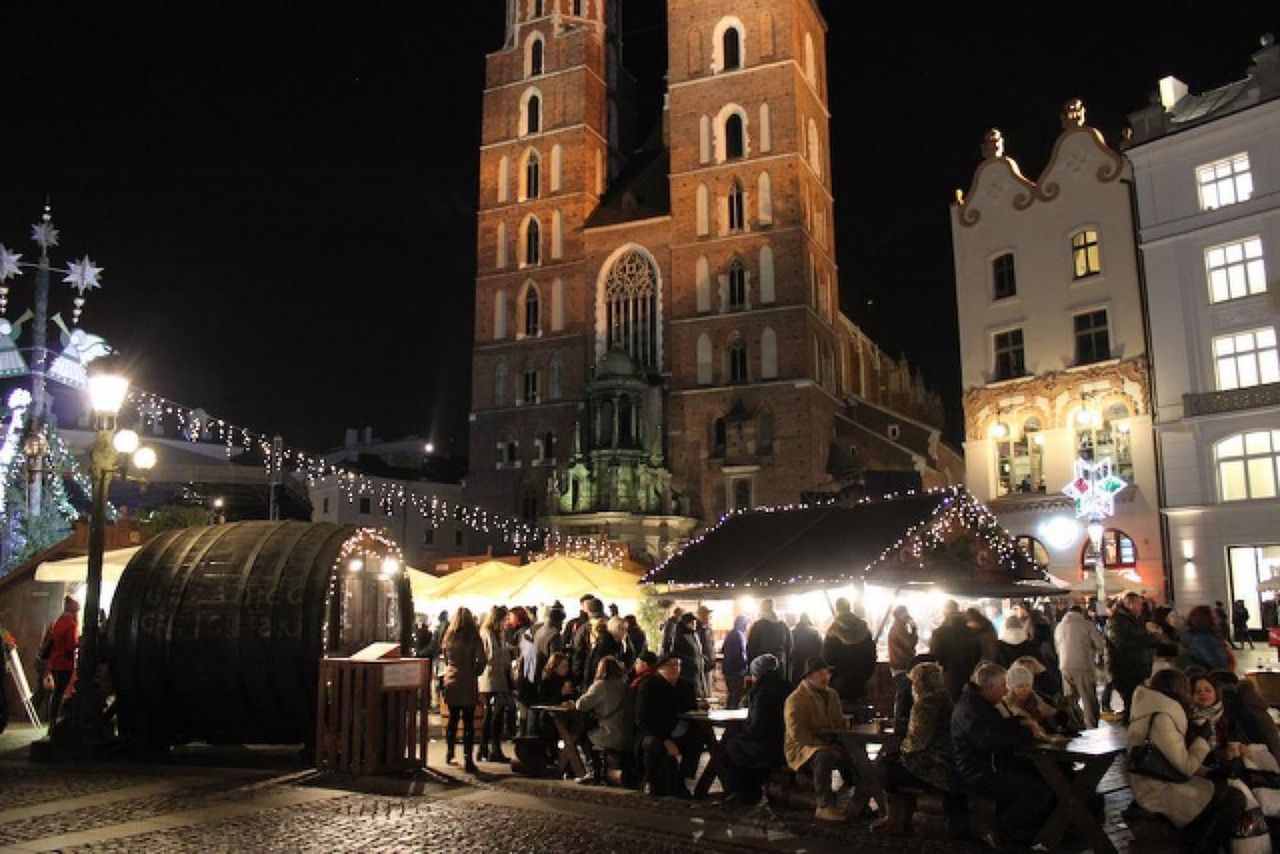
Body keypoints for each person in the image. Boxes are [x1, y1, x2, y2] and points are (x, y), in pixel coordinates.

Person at [1127, 668, 1248, 854]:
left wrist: (1209, 772)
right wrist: (1202, 739)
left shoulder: (1151, 709)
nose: (1191, 695)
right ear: (1179, 690)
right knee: (1233, 798)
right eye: (1188, 689)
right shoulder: (1163, 718)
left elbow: (1172, 761)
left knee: (1221, 789)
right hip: (1157, 789)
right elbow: (1184, 767)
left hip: (1158, 780)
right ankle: (1200, 849)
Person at [951, 662, 1053, 850]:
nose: (1006, 690)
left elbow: (998, 728)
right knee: (1036, 792)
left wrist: (1021, 723)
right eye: (1003, 686)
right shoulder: (971, 709)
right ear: (989, 688)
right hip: (979, 772)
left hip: (991, 766)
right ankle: (1005, 834)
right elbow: (992, 740)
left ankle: (1026, 837)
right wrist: (1026, 733)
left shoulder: (980, 704)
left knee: (1047, 780)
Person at [873, 661, 953, 834]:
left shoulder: (925, 705)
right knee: (890, 762)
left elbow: (915, 744)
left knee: (884, 767)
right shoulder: (947, 699)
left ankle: (895, 819)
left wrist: (899, 750)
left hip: (934, 770)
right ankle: (899, 817)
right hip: (948, 763)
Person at [783, 657, 854, 822]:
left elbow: (838, 723)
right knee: (823, 756)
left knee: (856, 752)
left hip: (829, 742)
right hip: (803, 748)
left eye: (826, 673)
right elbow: (798, 734)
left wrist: (838, 741)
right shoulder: (796, 699)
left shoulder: (832, 694)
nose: (825, 677)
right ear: (808, 677)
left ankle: (858, 799)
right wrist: (826, 746)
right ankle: (824, 806)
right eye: (820, 674)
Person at [720, 653, 789, 804]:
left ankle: (744, 792)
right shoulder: (786, 686)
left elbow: (757, 727)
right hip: (784, 742)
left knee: (732, 745)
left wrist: (742, 730)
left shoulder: (761, 692)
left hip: (770, 746)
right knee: (740, 744)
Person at [634, 655, 699, 797]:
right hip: (654, 731)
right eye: (671, 665)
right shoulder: (649, 685)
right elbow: (643, 719)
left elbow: (691, 711)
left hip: (679, 729)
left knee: (697, 741)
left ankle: (683, 781)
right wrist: (666, 740)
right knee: (654, 745)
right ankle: (654, 783)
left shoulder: (686, 686)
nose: (675, 668)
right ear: (660, 668)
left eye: (678, 664)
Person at [575, 656, 633, 785]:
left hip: (608, 732)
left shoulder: (600, 686)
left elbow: (581, 705)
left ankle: (592, 771)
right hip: (626, 733)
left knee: (582, 736)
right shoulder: (625, 686)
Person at [442, 607, 486, 772]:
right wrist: (475, 671)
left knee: (453, 719)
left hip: (452, 678)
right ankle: (468, 759)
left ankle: (450, 751)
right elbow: (482, 659)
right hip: (468, 680)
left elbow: (445, 657)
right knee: (468, 721)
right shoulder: (474, 637)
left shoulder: (449, 636)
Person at [1106, 591, 1157, 723]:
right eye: (1138, 604)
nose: (1141, 607)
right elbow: (1123, 644)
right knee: (1131, 705)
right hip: (1126, 669)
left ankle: (1133, 732)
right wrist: (1150, 639)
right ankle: (1131, 735)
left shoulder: (1136, 619)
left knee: (1135, 704)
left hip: (1137, 669)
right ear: (1129, 604)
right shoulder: (1117, 621)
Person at [1055, 604, 1104, 728]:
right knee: (1088, 699)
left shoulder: (1059, 626)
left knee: (1071, 699)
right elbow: (1100, 645)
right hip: (1083, 665)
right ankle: (1092, 726)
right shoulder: (1086, 625)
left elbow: (1056, 647)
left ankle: (1075, 723)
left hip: (1064, 666)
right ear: (1081, 613)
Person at [822, 598, 876, 711]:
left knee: (842, 717)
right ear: (849, 608)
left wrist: (833, 677)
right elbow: (871, 655)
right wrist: (866, 675)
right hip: (860, 680)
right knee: (862, 717)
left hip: (840, 682)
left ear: (837, 609)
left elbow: (827, 658)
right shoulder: (864, 629)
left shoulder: (832, 631)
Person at [478, 605, 514, 763]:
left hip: (494, 678)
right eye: (504, 619)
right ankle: (492, 749)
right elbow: (493, 655)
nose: (506, 622)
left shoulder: (496, 633)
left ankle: (484, 748)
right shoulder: (489, 633)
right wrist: (509, 653)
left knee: (492, 714)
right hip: (492, 678)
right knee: (495, 715)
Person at [930, 611, 981, 701]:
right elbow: (978, 653)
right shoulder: (972, 633)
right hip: (969, 674)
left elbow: (935, 655)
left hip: (948, 675)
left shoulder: (939, 633)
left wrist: (943, 666)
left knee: (950, 701)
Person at [47, 595, 80, 727]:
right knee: (60, 692)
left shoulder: (59, 621)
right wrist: (80, 643)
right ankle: (56, 720)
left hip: (55, 661)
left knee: (57, 692)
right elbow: (70, 645)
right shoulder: (71, 624)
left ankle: (52, 720)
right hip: (65, 663)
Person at [746, 599, 791, 677]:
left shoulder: (758, 626)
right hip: (780, 667)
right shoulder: (783, 626)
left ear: (762, 609)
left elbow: (750, 648)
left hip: (762, 668)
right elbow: (790, 648)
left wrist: (751, 670)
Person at [1183, 605, 1233, 672]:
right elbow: (1220, 665)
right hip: (1214, 678)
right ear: (1206, 620)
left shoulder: (1190, 636)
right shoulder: (1205, 640)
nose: (1218, 620)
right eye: (1215, 617)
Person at [570, 597, 606, 687]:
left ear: (588, 612)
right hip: (608, 677)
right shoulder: (611, 626)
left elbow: (577, 655)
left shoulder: (583, 629)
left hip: (589, 677)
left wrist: (577, 680)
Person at [670, 611, 706, 698]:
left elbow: (697, 651)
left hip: (698, 671)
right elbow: (676, 654)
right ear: (686, 623)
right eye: (692, 622)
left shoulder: (695, 634)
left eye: (695, 622)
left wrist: (702, 658)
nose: (694, 624)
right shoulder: (680, 636)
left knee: (699, 693)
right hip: (687, 673)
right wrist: (690, 661)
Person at [721, 615, 749, 709]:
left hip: (729, 669)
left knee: (732, 694)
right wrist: (746, 666)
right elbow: (740, 654)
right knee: (736, 695)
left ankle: (729, 712)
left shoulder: (732, 633)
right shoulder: (738, 635)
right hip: (736, 670)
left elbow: (723, 649)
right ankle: (732, 716)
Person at [533, 602, 565, 679]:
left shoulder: (539, 630)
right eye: (562, 622)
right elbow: (555, 661)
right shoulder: (554, 635)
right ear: (558, 621)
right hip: (548, 675)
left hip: (537, 670)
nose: (562, 625)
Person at [789, 613, 822, 687]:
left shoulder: (792, 632)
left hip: (796, 666)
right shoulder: (815, 633)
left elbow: (789, 649)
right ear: (808, 620)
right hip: (810, 666)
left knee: (797, 688)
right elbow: (820, 650)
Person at [887, 606, 919, 683]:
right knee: (904, 691)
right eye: (906, 613)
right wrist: (914, 629)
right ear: (900, 615)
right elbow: (910, 643)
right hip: (901, 666)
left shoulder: (899, 627)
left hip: (900, 665)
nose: (908, 616)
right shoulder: (899, 628)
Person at [694, 605, 716, 697]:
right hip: (703, 666)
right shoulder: (697, 630)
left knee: (708, 692)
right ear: (700, 615)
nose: (708, 617)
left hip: (709, 665)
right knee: (704, 693)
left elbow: (710, 645)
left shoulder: (707, 629)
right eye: (707, 615)